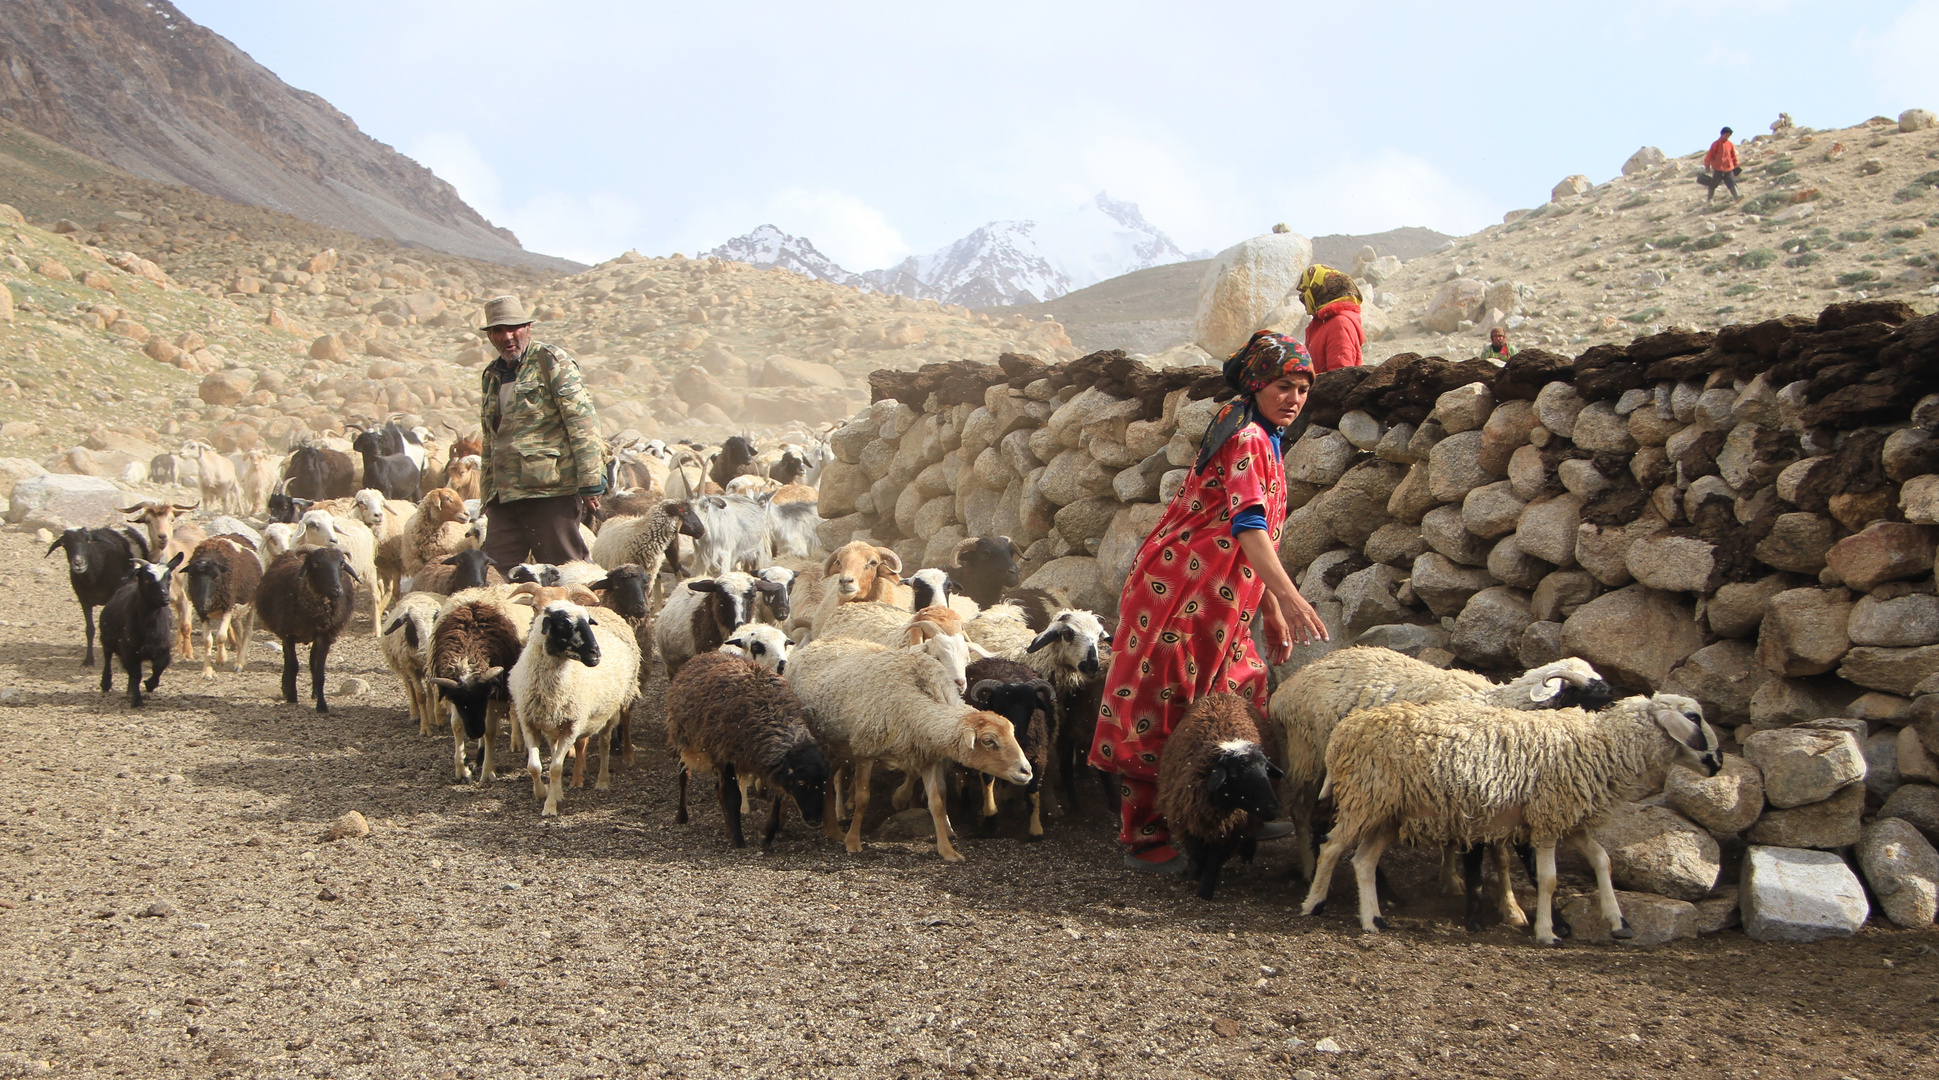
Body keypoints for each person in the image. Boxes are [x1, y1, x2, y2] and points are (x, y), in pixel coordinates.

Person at [1089, 331, 1331, 874]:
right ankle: (1146, 835)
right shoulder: (1246, 438)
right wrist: (1288, 596)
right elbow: (1248, 526)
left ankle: (1239, 805)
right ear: (1257, 385)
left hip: (1224, 595)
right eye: (1282, 386)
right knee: (1165, 703)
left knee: (1238, 689)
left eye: (1302, 389)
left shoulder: (1264, 435)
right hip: (1181, 591)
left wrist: (1266, 604)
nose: (1293, 398)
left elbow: (1256, 528)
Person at [475, 295, 605, 569]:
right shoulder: (491, 375)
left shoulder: (550, 361)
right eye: (498, 330)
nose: (507, 337)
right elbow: (491, 439)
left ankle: (589, 613)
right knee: (495, 574)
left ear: (528, 328)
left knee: (568, 572)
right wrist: (487, 495)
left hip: (549, 491)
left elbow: (581, 420)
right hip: (504, 497)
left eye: (514, 328)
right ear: (490, 336)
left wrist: (591, 481)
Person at [1298, 263, 1364, 373]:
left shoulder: (1339, 324)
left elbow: (1340, 374)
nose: (1302, 299)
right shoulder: (1321, 324)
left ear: (1319, 290)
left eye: (1305, 291)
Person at [1702, 127, 1740, 201]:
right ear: (1722, 134)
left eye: (1729, 136)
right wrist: (1707, 166)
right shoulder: (1716, 144)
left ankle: (1737, 197)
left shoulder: (1730, 144)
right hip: (1718, 169)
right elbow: (1709, 156)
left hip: (1728, 168)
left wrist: (1736, 164)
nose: (1727, 137)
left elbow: (1733, 156)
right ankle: (1709, 200)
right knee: (1713, 184)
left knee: (1731, 183)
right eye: (1726, 135)